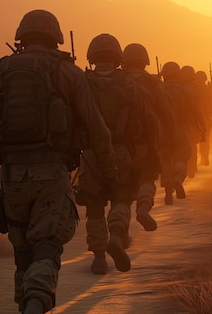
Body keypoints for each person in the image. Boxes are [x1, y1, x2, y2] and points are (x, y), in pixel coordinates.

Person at [0, 10, 118, 314]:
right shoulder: (69, 74)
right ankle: (37, 300)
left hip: (12, 178)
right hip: (52, 174)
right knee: (48, 245)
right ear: (55, 37)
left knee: (23, 252)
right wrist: (109, 171)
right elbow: (97, 129)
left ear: (21, 36)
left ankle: (26, 303)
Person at [76, 34, 158, 275]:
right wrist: (152, 151)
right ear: (117, 57)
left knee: (94, 206)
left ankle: (99, 256)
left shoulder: (82, 83)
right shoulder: (132, 85)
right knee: (122, 198)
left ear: (92, 57)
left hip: (90, 155)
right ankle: (116, 234)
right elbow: (149, 121)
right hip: (121, 152)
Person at [121, 43, 177, 232]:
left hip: (120, 144)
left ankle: (118, 230)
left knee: (123, 190)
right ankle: (143, 208)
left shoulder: (118, 80)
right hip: (147, 141)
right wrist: (171, 137)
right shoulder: (153, 84)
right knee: (147, 179)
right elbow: (167, 113)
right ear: (144, 61)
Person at [160, 61, 203, 204]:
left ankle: (168, 192)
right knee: (182, 158)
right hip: (182, 130)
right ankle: (178, 179)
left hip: (163, 132)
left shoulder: (157, 90)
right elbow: (197, 112)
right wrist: (202, 129)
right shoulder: (186, 91)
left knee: (166, 160)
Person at [180, 65, 206, 178]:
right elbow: (199, 109)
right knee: (193, 145)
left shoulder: (176, 88)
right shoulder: (199, 89)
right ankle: (191, 166)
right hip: (192, 123)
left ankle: (183, 169)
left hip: (177, 124)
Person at [194, 70, 212, 166]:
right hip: (207, 118)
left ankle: (194, 161)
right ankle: (205, 156)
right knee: (206, 138)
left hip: (195, 118)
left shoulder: (192, 89)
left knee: (193, 139)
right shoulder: (210, 91)